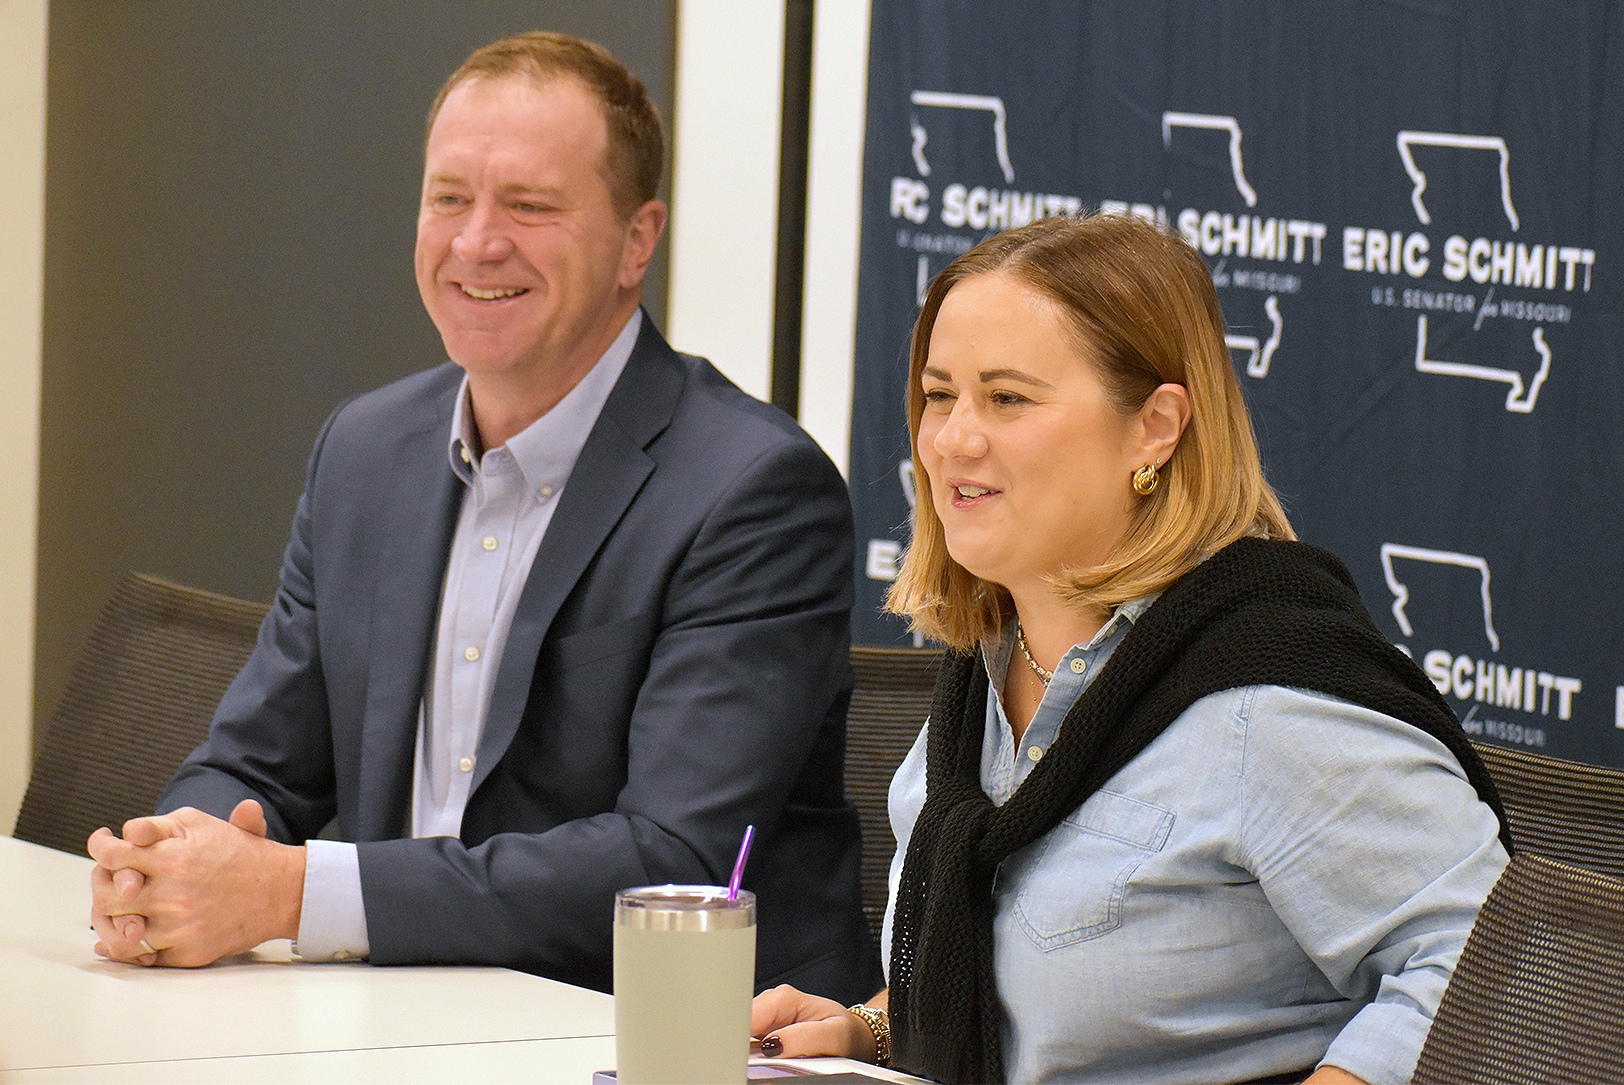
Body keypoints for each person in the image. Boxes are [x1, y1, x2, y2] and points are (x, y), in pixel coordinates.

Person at [86, 30, 883, 1004]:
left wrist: (296, 891)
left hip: (659, 1032)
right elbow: (255, 762)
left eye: (530, 205)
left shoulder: (753, 488)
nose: (476, 242)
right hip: (392, 1012)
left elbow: (671, 862)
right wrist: (172, 856)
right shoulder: (365, 449)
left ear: (638, 240)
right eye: (449, 198)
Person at [749, 213, 1512, 1084]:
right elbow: (1041, 1003)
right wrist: (875, 1029)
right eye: (938, 393)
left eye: (1008, 398)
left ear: (1155, 426)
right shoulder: (986, 673)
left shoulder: (1268, 700)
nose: (952, 438)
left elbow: (1489, 968)